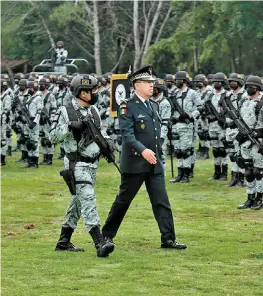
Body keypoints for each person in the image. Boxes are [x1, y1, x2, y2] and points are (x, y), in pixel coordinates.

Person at [102, 65, 187, 250]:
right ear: (136, 85)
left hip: (154, 163)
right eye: (148, 82)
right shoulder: (127, 106)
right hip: (135, 163)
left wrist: (154, 153)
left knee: (161, 201)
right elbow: (127, 135)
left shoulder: (153, 105)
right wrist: (143, 151)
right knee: (123, 201)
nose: (152, 85)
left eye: (152, 82)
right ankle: (106, 236)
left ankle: (168, 239)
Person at [50, 74, 114, 257]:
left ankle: (63, 241)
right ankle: (99, 242)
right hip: (76, 164)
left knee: (77, 203)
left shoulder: (94, 111)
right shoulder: (65, 111)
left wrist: (109, 142)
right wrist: (70, 126)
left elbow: (101, 131)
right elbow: (52, 136)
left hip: (92, 165)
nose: (95, 93)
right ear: (81, 92)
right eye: (92, 90)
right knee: (88, 200)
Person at [237, 76, 263, 210]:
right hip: (244, 141)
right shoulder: (243, 101)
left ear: (258, 87)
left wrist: (258, 133)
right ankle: (250, 197)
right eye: (247, 85)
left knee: (259, 171)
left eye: (252, 86)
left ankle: (260, 198)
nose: (248, 88)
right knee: (248, 171)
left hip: (259, 142)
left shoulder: (262, 102)